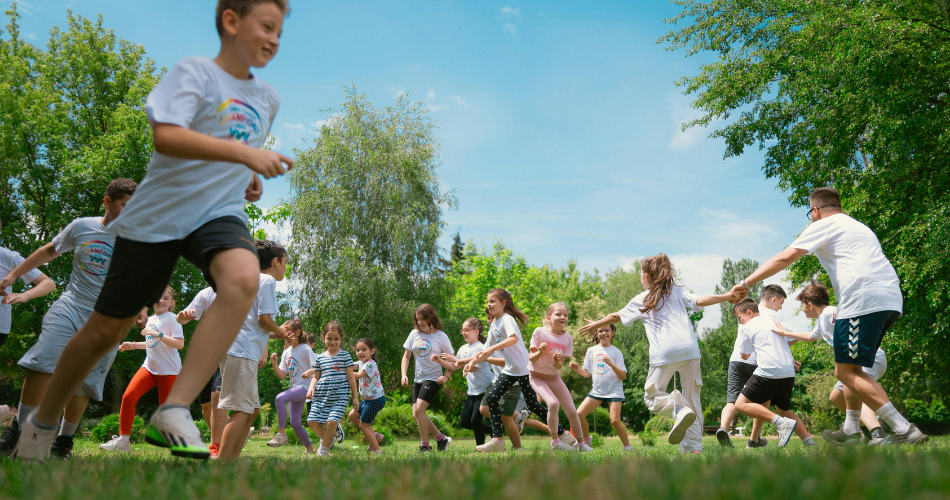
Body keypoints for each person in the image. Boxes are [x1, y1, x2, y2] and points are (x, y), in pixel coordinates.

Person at [14, 0, 293, 462]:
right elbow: (167, 136)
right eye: (266, 26)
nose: (273, 39)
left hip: (216, 212)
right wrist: (244, 158)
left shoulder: (268, 98)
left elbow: (229, 150)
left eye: (280, 32)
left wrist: (245, 177)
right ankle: (42, 424)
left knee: (244, 279)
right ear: (230, 21)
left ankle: (175, 408)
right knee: (104, 331)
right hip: (161, 209)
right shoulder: (195, 73)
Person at [729, 187, 926, 445]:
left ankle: (902, 427)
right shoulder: (859, 227)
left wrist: (747, 282)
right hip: (889, 298)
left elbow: (786, 256)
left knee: (846, 373)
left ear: (815, 211)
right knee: (847, 370)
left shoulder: (825, 224)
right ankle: (851, 430)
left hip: (861, 299)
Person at [0, 179, 134, 460]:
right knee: (42, 361)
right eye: (125, 205)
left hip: (108, 317)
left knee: (83, 381)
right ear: (108, 202)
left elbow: (144, 276)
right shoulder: (83, 226)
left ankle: (63, 442)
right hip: (71, 306)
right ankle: (20, 431)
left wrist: (142, 305)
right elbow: (49, 250)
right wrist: (13, 276)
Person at [579, 254, 735, 454]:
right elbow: (700, 300)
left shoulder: (644, 298)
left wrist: (596, 324)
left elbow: (616, 316)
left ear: (646, 276)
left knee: (652, 398)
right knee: (693, 398)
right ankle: (695, 448)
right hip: (690, 350)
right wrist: (728, 296)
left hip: (665, 352)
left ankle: (678, 411)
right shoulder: (678, 291)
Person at [772, 281, 889, 445]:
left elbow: (843, 315)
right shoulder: (822, 321)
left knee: (858, 393)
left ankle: (879, 435)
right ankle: (867, 427)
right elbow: (810, 337)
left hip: (868, 358)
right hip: (861, 360)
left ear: (810, 304)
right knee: (836, 397)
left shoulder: (829, 312)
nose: (802, 310)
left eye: (803, 305)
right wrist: (784, 333)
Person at [218, 239, 290, 460]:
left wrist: (276, 332)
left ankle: (232, 458)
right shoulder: (266, 280)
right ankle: (223, 461)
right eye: (285, 262)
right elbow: (263, 319)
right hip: (242, 352)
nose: (286, 267)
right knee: (242, 409)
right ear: (275, 261)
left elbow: (252, 324)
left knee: (252, 408)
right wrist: (282, 331)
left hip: (236, 349)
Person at [469, 288, 554, 453]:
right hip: (511, 371)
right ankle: (499, 441)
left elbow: (513, 338)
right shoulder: (495, 324)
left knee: (534, 407)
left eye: (492, 301)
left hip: (521, 370)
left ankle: (562, 434)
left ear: (503, 303)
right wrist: (472, 361)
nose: (489, 305)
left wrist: (487, 352)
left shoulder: (507, 320)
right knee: (493, 401)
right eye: (487, 302)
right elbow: (485, 350)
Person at [102, 287, 185, 452]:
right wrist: (133, 345)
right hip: (150, 368)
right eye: (158, 297)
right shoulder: (151, 319)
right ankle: (123, 441)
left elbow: (179, 344)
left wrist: (158, 334)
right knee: (128, 397)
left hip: (169, 371)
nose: (161, 301)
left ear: (171, 303)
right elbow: (152, 344)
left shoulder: (173, 319)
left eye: (166, 298)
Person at [732, 299, 814, 448]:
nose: (740, 322)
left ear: (749, 312)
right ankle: (809, 442)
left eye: (740, 318)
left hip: (768, 372)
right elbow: (794, 335)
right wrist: (778, 344)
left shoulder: (747, 327)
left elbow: (744, 355)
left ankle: (781, 424)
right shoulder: (774, 320)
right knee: (785, 411)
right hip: (788, 372)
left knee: (741, 404)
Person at [718, 284, 792, 449]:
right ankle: (753, 439)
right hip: (757, 362)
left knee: (732, 401)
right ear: (773, 299)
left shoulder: (745, 313)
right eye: (780, 303)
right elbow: (788, 338)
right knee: (763, 401)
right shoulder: (768, 315)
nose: (780, 307)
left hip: (736, 361)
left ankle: (723, 428)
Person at [528, 303, 588, 451]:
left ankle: (581, 443)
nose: (562, 317)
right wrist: (540, 351)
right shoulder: (539, 332)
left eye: (565, 315)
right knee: (553, 403)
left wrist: (557, 361)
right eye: (558, 314)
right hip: (536, 376)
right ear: (549, 318)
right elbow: (532, 359)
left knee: (572, 410)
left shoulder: (567, 339)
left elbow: (560, 366)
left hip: (554, 377)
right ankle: (555, 442)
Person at [176, 286, 226, 458]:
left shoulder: (238, 290)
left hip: (228, 349)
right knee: (205, 403)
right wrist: (182, 316)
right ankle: (229, 435)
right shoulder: (206, 293)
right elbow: (182, 319)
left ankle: (217, 445)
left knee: (217, 393)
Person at [401, 304, 454, 452]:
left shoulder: (441, 336)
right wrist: (404, 374)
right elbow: (406, 356)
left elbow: (453, 360)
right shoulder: (414, 334)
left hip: (434, 378)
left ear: (431, 317)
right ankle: (441, 439)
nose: (420, 322)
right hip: (419, 378)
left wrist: (446, 375)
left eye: (423, 319)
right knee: (417, 413)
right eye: (417, 319)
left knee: (419, 411)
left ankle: (425, 446)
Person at [570, 322, 632, 451]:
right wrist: (577, 370)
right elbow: (587, 373)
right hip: (597, 391)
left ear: (612, 332)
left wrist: (610, 363)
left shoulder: (616, 352)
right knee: (578, 414)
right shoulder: (591, 350)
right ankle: (586, 440)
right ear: (596, 334)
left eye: (606, 330)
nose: (603, 333)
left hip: (614, 391)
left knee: (615, 421)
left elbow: (623, 376)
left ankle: (627, 446)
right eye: (600, 331)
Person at [306, 322, 358, 457]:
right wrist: (311, 388)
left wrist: (355, 397)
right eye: (329, 338)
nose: (332, 342)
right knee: (311, 421)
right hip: (322, 394)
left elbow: (351, 378)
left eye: (336, 339)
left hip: (340, 394)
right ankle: (329, 438)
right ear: (323, 338)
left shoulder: (345, 356)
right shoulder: (320, 358)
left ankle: (323, 451)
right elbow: (316, 377)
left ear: (341, 339)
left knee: (331, 422)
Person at [441, 318, 492, 446]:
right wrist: (438, 361)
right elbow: (454, 366)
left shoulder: (480, 347)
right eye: (462, 330)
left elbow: (473, 367)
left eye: (466, 330)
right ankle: (493, 430)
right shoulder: (463, 348)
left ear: (477, 331)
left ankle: (480, 447)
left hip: (484, 388)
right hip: (472, 390)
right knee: (464, 422)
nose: (464, 332)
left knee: (475, 421)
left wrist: (454, 359)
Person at [266, 319, 316, 451]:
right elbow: (282, 375)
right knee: (295, 423)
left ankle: (281, 434)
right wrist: (275, 364)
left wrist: (310, 371)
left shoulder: (305, 348)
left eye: (286, 332)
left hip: (305, 387)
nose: (283, 335)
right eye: (282, 333)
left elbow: (318, 367)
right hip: (295, 388)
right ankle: (310, 449)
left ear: (297, 332)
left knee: (280, 398)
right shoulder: (287, 352)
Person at [347, 337, 385, 454]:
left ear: (372, 352)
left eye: (364, 349)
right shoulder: (362, 363)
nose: (360, 352)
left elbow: (357, 376)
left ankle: (377, 451)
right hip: (368, 400)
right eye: (358, 350)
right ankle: (375, 436)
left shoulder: (370, 364)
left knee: (364, 426)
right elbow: (349, 366)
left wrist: (347, 371)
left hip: (375, 400)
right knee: (353, 415)